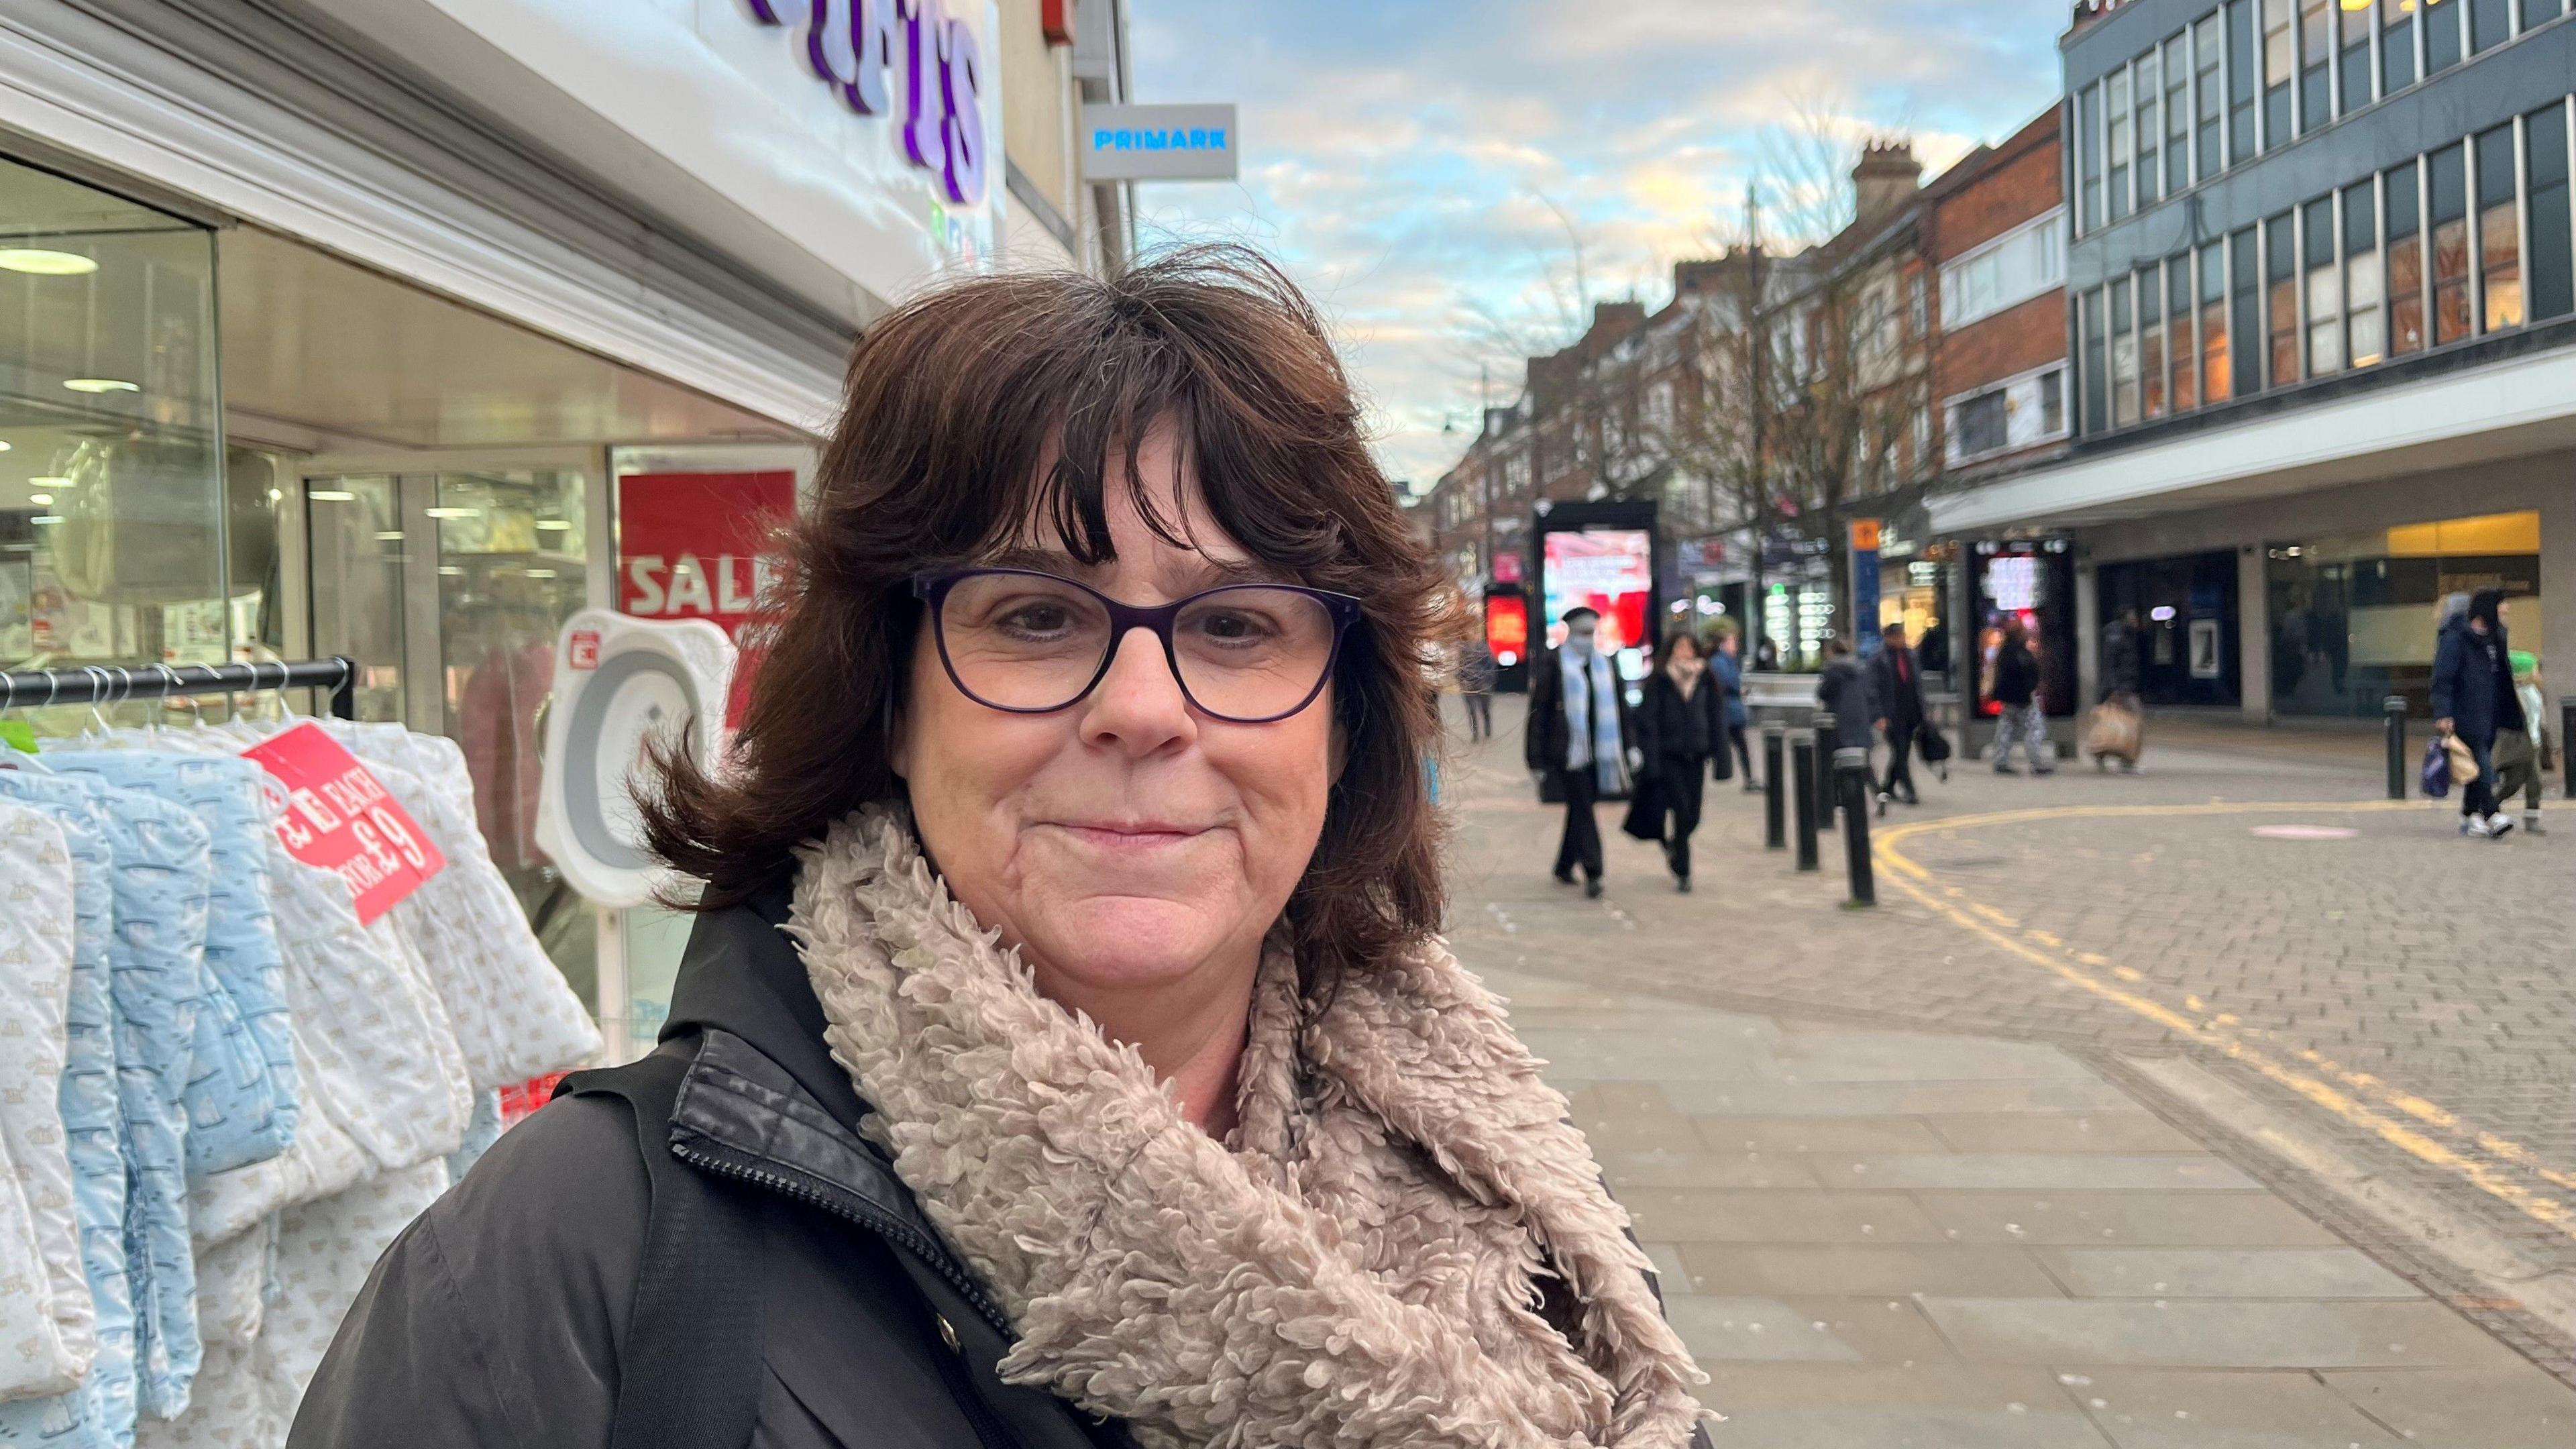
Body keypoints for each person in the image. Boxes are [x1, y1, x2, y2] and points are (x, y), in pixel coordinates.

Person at [289, 251, 1710, 1449]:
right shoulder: (566, 1262)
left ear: (1343, 723)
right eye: (1035, 615)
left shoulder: (1522, 1214)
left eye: (1235, 625)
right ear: (891, 697)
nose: (1143, 710)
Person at [1527, 606, 1636, 898]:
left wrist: (1631, 746)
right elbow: (1539, 715)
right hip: (1568, 754)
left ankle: (1564, 865)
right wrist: (1535, 759)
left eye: (1592, 632)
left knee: (1580, 808)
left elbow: (1622, 710)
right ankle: (1594, 871)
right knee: (1585, 808)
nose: (1588, 639)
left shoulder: (1606, 665)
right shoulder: (1555, 665)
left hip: (1601, 752)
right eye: (1583, 632)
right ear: (1571, 632)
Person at [2434, 588, 2526, 839]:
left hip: (2491, 714)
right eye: (2501, 606)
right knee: (2485, 766)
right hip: (2465, 714)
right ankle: (2492, 814)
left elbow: (2502, 677)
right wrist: (2444, 713)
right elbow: (2443, 680)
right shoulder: (2456, 640)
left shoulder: (2496, 639)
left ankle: (2469, 815)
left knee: (2475, 767)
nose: (2506, 610)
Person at [1636, 631, 1723, 891]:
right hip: (1669, 755)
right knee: (1681, 810)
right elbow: (1648, 719)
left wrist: (1719, 753)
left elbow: (1716, 715)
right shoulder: (1660, 679)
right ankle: (1684, 872)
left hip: (1696, 754)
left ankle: (1674, 846)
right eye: (1680, 647)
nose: (1685, 651)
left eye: (1689, 647)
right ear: (1671, 650)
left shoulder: (1705, 677)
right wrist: (1650, 756)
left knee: (1694, 815)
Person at [1867, 621, 1927, 812]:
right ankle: (1910, 790)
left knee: (1903, 751)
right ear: (1889, 637)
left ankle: (1888, 787)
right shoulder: (1879, 659)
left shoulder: (1910, 655)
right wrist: (1878, 715)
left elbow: (1917, 684)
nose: (1902, 639)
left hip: (1911, 711)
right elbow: (1872, 689)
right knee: (1900, 751)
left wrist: (1923, 710)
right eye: (1898, 636)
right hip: (1892, 714)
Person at [2491, 649, 2551, 835]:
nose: (2539, 674)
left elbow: (2539, 720)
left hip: (2533, 744)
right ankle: (2489, 807)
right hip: (2517, 746)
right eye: (2535, 670)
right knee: (2513, 783)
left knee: (2535, 782)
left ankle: (2532, 818)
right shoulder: (2513, 694)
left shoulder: (2533, 692)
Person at [1814, 635, 1876, 817]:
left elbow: (1823, 693)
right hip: (1859, 719)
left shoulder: (1832, 670)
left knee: (1837, 760)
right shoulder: (1860, 668)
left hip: (1838, 720)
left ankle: (1839, 801)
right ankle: (1878, 792)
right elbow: (1870, 694)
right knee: (1861, 759)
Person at [1990, 618, 2051, 775]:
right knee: (2035, 728)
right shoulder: (2021, 654)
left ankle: (2000, 761)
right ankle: (2037, 763)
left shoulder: (2004, 652)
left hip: (2008, 698)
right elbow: (2029, 674)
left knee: (2006, 729)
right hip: (2023, 699)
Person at [1712, 626, 1758, 790]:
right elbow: (1727, 682)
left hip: (1732, 711)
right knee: (1732, 746)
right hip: (1728, 711)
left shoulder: (1728, 661)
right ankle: (1746, 778)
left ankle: (1749, 779)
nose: (1735, 646)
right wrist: (1738, 689)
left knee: (1740, 746)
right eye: (1732, 643)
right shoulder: (1720, 661)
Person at [1460, 634, 1497, 741]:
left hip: (1483, 685)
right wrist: (1462, 681)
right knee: (1472, 710)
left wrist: (1488, 681)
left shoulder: (1484, 649)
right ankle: (1475, 733)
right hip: (1469, 685)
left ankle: (1487, 729)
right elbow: (1460, 667)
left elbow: (1491, 666)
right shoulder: (1464, 650)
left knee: (1485, 709)